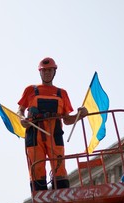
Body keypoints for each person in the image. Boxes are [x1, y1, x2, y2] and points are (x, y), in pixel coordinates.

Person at [17, 57, 88, 191]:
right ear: (40, 72)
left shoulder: (62, 93)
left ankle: (62, 195)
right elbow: (20, 110)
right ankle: (39, 197)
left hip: (54, 134)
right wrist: (22, 119)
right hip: (34, 134)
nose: (47, 73)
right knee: (36, 167)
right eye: (44, 71)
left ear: (54, 72)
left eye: (50, 70)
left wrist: (81, 116)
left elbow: (67, 120)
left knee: (59, 167)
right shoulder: (30, 90)